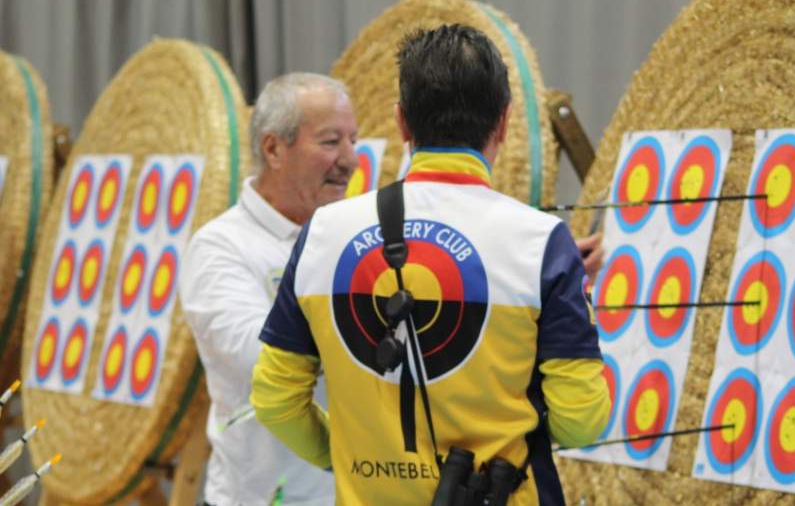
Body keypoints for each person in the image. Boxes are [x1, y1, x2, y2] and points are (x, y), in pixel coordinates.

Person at [251, 25, 611, 505]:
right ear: (502, 123)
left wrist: (346, 455)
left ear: (402, 124)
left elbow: (276, 401)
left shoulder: (323, 234)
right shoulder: (542, 243)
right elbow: (582, 420)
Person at [180, 72, 358, 505]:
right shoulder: (220, 246)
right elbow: (262, 357)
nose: (350, 159)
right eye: (331, 142)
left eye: (354, 139)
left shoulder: (351, 236)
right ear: (274, 148)